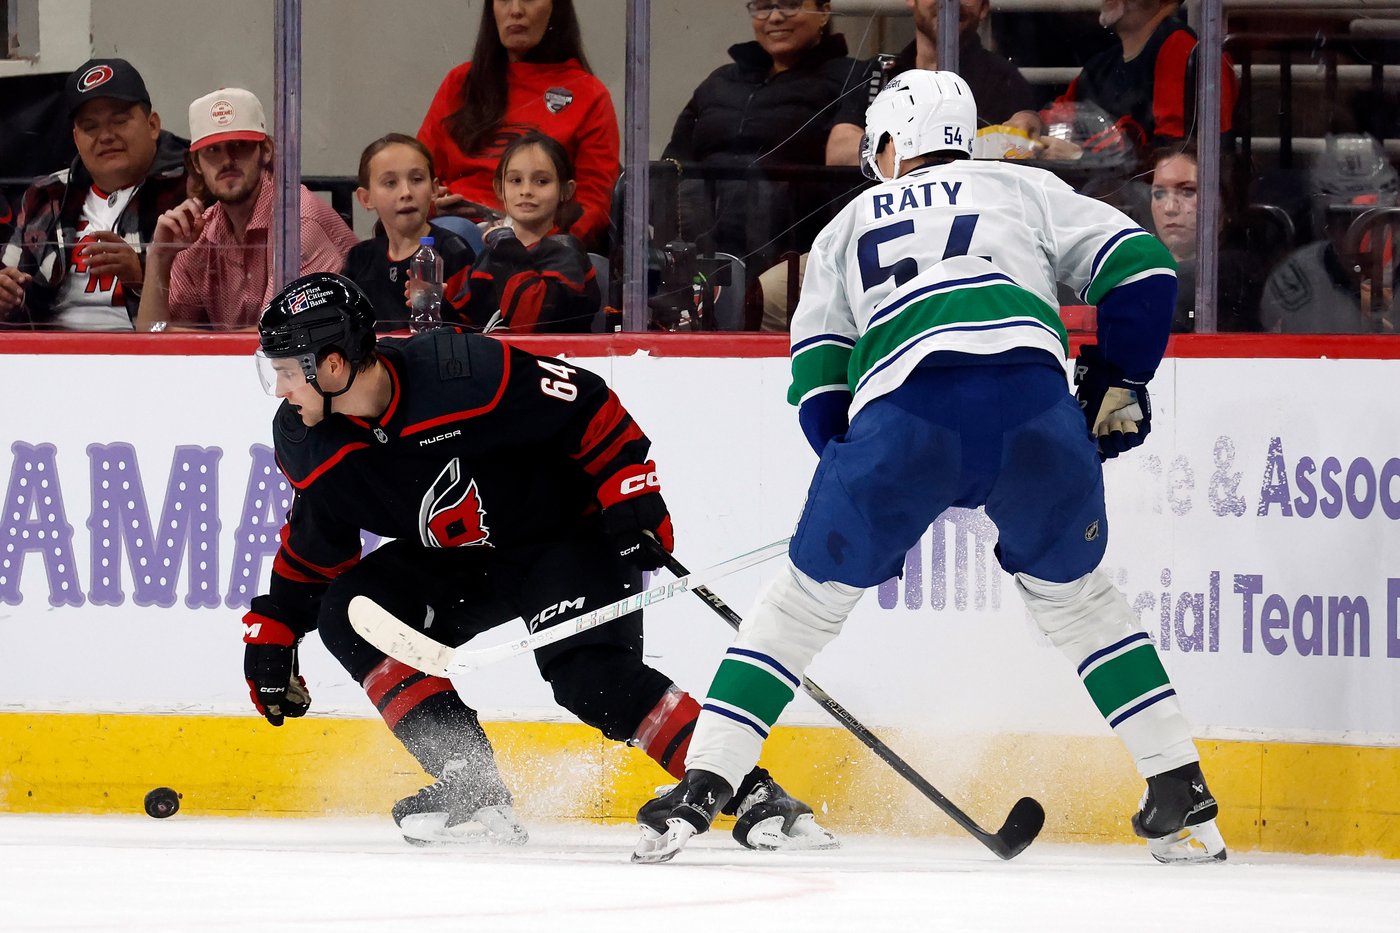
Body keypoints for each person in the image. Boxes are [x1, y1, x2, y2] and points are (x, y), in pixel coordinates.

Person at [634, 71, 1227, 866]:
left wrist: (858, 481)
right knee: (1082, 602)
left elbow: (819, 383)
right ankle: (1180, 789)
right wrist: (1122, 377)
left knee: (801, 607)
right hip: (1035, 409)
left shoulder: (846, 226)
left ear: (890, 145)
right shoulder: (1023, 186)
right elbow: (1146, 268)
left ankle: (707, 780)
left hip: (903, 416)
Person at [246, 272, 837, 850]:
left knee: (591, 679)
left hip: (567, 538)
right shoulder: (306, 438)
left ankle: (751, 792)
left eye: (286, 371)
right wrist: (277, 625)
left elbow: (587, 404)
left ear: (332, 365)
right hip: (466, 561)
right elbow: (318, 538)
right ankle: (470, 784)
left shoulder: (460, 372)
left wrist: (630, 493)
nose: (279, 390)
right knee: (352, 613)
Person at [662, 0, 865, 272]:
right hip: (701, 253)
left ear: (824, 11)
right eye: (763, 6)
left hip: (796, 260)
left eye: (790, 4)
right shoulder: (718, 81)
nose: (775, 17)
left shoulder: (855, 78)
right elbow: (671, 166)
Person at [134, 88, 357, 332]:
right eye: (212, 150)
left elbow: (280, 336)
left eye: (240, 145)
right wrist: (159, 256)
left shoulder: (298, 221)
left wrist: (174, 336)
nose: (227, 160)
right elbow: (152, 336)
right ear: (196, 163)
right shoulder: (201, 231)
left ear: (266, 150)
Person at [1, 59, 187, 330]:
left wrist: (142, 276)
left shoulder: (189, 189)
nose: (106, 136)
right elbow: (11, 280)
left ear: (152, 126)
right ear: (76, 139)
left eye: (119, 121)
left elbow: (213, 305)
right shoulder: (46, 194)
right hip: (50, 350)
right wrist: (7, 297)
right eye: (90, 127)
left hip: (149, 350)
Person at [418, 0, 618, 251]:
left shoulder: (589, 93)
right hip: (453, 235)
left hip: (540, 241)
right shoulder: (460, 83)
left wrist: (540, 244)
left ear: (556, 8)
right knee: (451, 234)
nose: (515, 10)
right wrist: (430, 207)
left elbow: (594, 205)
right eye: (503, 0)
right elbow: (415, 176)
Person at [826, 0, 1036, 166]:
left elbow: (1022, 149)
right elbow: (839, 152)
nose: (949, 3)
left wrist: (893, 151)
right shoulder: (877, 72)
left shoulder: (1004, 79)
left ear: (984, 8)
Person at [1023, 0, 1238, 160]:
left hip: (1145, 202)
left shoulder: (1179, 48)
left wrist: (1080, 157)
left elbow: (1173, 158)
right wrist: (1030, 120)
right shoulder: (1102, 64)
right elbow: (1061, 113)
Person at [1260, 134, 1398, 334]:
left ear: (1394, 219)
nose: (1363, 239)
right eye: (1346, 222)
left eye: (1374, 221)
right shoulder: (1293, 283)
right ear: (1327, 226)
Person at [465, 132, 599, 332]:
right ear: (499, 189)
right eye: (516, 180)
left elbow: (530, 319)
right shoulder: (493, 253)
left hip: (549, 352)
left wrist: (505, 245)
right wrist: (433, 301)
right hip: (494, 350)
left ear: (566, 190)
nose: (526, 190)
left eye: (542, 181)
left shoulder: (566, 252)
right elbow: (465, 319)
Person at [342, 134, 476, 332]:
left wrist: (436, 307)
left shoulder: (453, 251)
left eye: (417, 179)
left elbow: (476, 331)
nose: (406, 192)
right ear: (366, 198)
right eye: (390, 183)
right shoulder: (359, 258)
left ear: (434, 189)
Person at [1148, 145, 1262, 332]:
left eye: (1188, 191)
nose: (1169, 208)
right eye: (1159, 194)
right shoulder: (1140, 268)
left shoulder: (1236, 272)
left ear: (1225, 200)